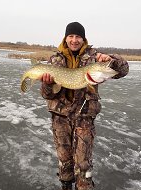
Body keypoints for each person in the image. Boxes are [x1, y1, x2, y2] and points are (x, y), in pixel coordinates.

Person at [40, 22, 129, 190]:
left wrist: (112, 60)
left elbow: (123, 70)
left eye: (78, 36)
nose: (74, 40)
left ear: (83, 38)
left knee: (83, 163)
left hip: (84, 117)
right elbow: (47, 94)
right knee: (64, 159)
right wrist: (47, 84)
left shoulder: (95, 57)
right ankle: (65, 185)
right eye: (71, 36)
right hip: (60, 118)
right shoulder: (54, 60)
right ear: (65, 38)